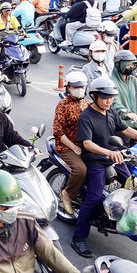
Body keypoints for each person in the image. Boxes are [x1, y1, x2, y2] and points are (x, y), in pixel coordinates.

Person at [71, 77, 137, 257]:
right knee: (94, 197)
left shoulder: (111, 111)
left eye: (111, 97)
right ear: (94, 96)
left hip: (115, 155)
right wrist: (107, 152)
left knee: (133, 184)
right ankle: (78, 237)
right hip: (96, 159)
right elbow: (87, 143)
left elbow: (125, 129)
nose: (108, 101)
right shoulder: (86, 116)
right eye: (105, 97)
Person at [52, 72, 89, 215]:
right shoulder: (63, 105)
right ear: (68, 88)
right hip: (66, 146)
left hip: (84, 143)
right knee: (81, 169)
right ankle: (66, 194)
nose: (79, 89)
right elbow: (58, 131)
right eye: (75, 87)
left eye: (82, 87)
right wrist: (74, 147)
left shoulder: (86, 103)